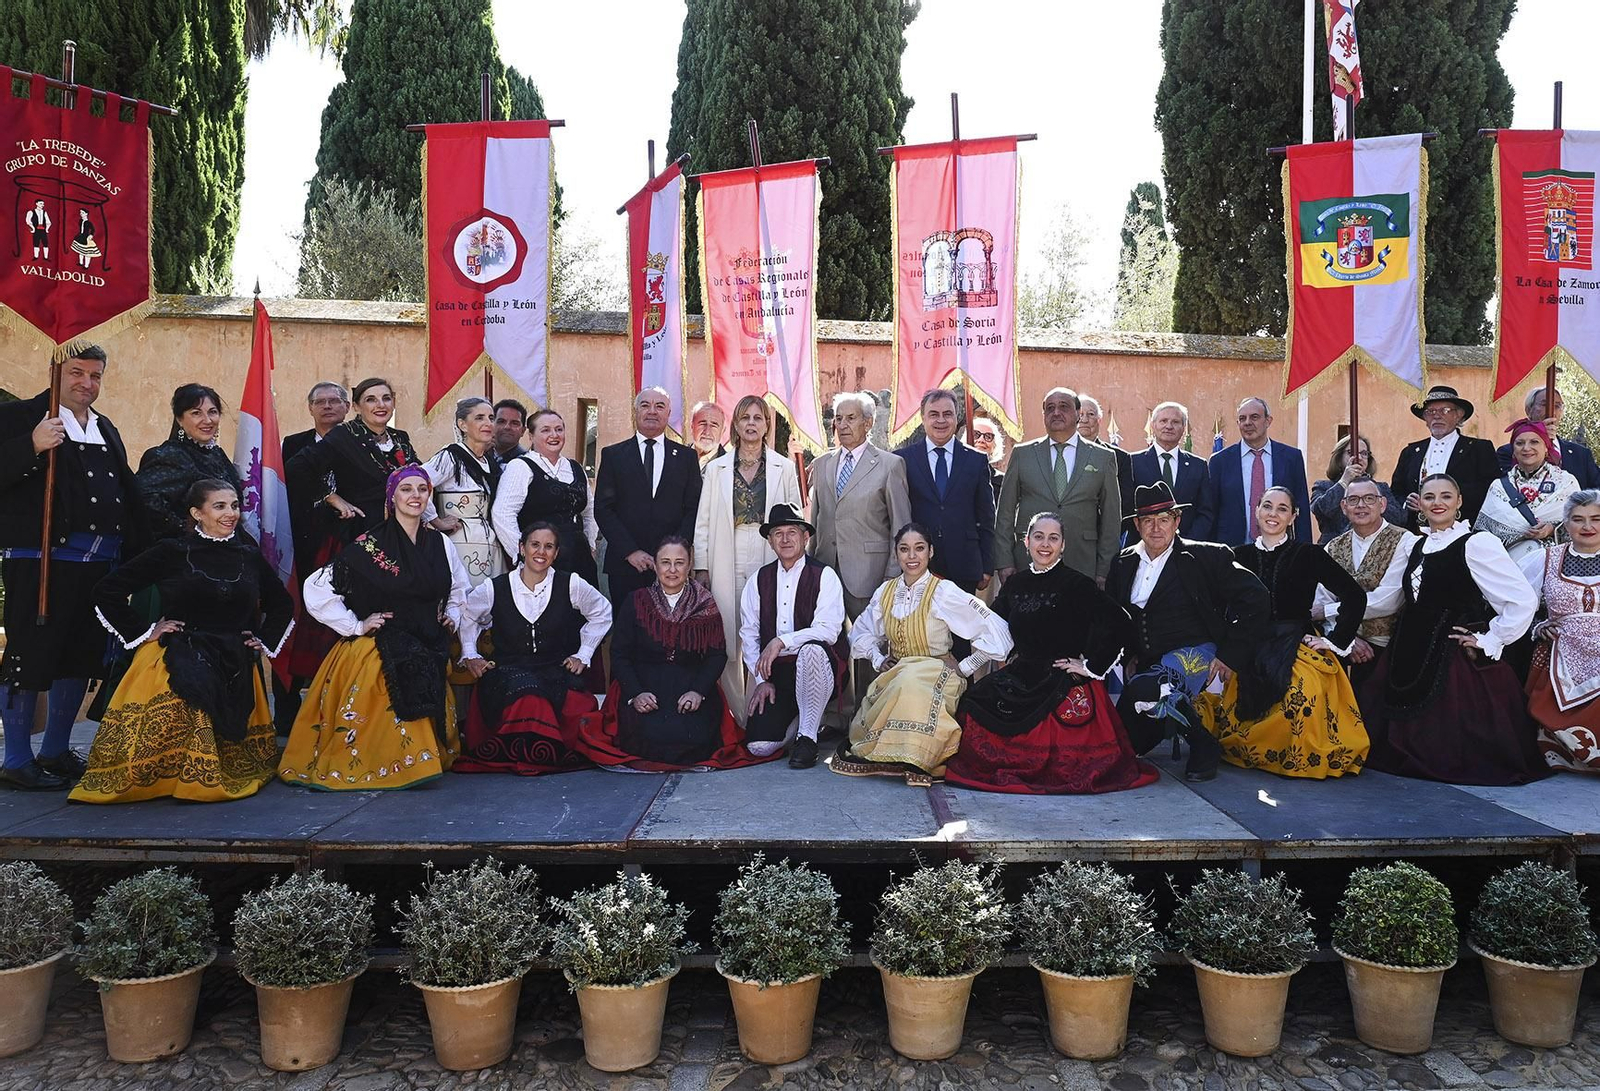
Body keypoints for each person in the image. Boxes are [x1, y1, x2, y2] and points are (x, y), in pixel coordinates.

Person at [73, 480, 292, 803]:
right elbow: (108, 590)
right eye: (219, 506)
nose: (231, 513)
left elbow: (282, 603)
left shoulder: (248, 554)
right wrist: (146, 631)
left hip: (233, 660)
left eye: (234, 505)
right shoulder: (172, 551)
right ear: (196, 513)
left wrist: (264, 639)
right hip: (178, 655)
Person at [0, 345, 145, 791]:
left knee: (79, 656)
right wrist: (32, 446)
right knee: (30, 655)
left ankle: (56, 750)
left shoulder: (106, 428)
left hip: (100, 564)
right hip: (39, 562)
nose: (86, 382)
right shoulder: (20, 417)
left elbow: (127, 495)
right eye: (77, 372)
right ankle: (16, 758)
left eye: (95, 375)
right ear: (56, 373)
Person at [278, 466, 470, 790]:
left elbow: (458, 587)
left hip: (426, 639)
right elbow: (317, 588)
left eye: (422, 489)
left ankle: (420, 759)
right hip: (381, 644)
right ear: (392, 497)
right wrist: (355, 625)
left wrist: (452, 613)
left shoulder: (440, 544)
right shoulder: (369, 544)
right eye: (407, 489)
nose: (415, 496)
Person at [946, 513, 1157, 794]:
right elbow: (993, 628)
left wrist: (1091, 666)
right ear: (1026, 542)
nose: (1045, 544)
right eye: (1039, 537)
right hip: (1021, 673)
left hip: (1061, 675)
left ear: (1063, 545)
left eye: (1053, 538)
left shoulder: (1077, 584)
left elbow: (1118, 622)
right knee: (975, 702)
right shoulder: (1015, 585)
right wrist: (964, 665)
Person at [1364, 474, 1548, 786]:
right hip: (1408, 648)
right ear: (1419, 503)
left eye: (1446, 496)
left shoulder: (1476, 543)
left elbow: (1521, 599)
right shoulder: (1416, 544)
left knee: (1456, 746)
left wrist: (1492, 638)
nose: (1438, 503)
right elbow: (1392, 598)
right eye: (1430, 496)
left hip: (1451, 652)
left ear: (1459, 502)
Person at [1194, 487, 1370, 778]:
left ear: (1293, 516)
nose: (1273, 514)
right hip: (1248, 643)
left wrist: (1333, 641)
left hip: (1295, 641)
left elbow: (1355, 596)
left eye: (1282, 509)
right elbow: (1213, 606)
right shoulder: (1237, 556)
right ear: (1257, 511)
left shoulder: (1309, 554)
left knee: (1303, 692)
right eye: (1267, 506)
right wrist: (1226, 646)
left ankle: (1292, 756)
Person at [1106, 483, 1272, 782]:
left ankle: (1203, 743)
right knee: (1128, 744)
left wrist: (1230, 655)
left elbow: (1257, 600)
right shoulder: (1123, 561)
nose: (1156, 528)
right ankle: (1165, 725)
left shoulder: (1207, 556)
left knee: (1148, 689)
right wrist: (1128, 654)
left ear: (1177, 521)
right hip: (1148, 662)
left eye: (1164, 519)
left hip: (1197, 652)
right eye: (1148, 520)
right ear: (1136, 524)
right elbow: (1118, 618)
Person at [831, 523, 1012, 783]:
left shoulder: (943, 591)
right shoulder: (886, 593)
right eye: (905, 549)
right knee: (904, 680)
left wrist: (966, 667)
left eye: (919, 549)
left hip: (937, 671)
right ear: (896, 554)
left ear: (930, 552)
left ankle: (917, 754)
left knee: (911, 683)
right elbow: (859, 633)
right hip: (898, 673)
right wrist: (879, 658)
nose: (912, 556)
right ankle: (896, 752)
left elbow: (996, 630)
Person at [578, 537, 768, 770]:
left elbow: (716, 655)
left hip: (690, 685)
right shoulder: (636, 601)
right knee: (647, 735)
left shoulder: (705, 604)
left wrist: (699, 692)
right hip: (644, 684)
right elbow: (620, 654)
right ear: (655, 566)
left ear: (689, 566)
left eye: (679, 562)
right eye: (665, 562)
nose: (672, 569)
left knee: (691, 737)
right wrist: (635, 694)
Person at [453, 523, 613, 775]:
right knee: (529, 697)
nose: (541, 552)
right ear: (522, 547)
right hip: (508, 669)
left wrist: (583, 654)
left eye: (549, 546)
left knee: (569, 701)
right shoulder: (495, 587)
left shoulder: (570, 583)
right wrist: (471, 654)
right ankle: (532, 755)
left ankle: (539, 753)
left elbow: (602, 611)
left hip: (554, 668)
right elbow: (467, 614)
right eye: (535, 544)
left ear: (556, 553)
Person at [695, 395, 803, 719]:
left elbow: (796, 516)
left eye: (758, 418)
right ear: (737, 426)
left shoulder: (783, 468)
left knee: (765, 627)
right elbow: (703, 521)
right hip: (726, 550)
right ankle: (734, 714)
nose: (752, 423)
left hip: (769, 550)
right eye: (745, 418)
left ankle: (761, 712)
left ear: (767, 425)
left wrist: (794, 561)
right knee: (728, 631)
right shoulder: (716, 469)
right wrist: (701, 566)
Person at [739, 504, 847, 769]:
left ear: (805, 537)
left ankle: (808, 738)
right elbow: (749, 634)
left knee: (811, 650)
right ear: (770, 541)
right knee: (759, 747)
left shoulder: (824, 575)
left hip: (819, 668)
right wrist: (762, 680)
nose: (785, 539)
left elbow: (829, 630)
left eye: (792, 532)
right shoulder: (758, 580)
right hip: (779, 676)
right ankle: (804, 716)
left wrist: (781, 641)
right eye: (778, 533)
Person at [278, 381, 351, 732]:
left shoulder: (361, 442)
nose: (327, 407)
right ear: (309, 409)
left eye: (334, 400)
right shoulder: (293, 446)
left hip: (349, 549)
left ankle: (339, 711)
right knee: (296, 627)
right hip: (303, 549)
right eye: (319, 401)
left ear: (348, 407)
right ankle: (288, 713)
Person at [995, 388, 1121, 587]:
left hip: (1082, 561)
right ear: (1043, 415)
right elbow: (1004, 513)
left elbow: (1111, 519)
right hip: (1028, 561)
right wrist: (1004, 561)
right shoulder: (1023, 454)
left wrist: (1105, 570)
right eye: (1050, 408)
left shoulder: (1102, 458)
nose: (1056, 412)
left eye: (1064, 407)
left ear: (1078, 414)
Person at [594, 386, 703, 609]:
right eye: (645, 405)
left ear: (668, 413)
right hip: (625, 565)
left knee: (669, 634)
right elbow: (603, 509)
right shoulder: (613, 455)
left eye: (659, 406)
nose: (652, 411)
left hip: (671, 568)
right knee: (626, 633)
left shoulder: (686, 457)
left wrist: (674, 554)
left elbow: (694, 509)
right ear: (635, 412)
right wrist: (630, 551)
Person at [808, 391, 912, 619]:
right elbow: (816, 522)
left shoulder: (890, 465)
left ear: (868, 422)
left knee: (871, 648)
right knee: (828, 647)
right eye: (838, 418)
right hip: (825, 573)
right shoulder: (822, 464)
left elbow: (901, 527)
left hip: (870, 577)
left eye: (851, 418)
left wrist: (893, 576)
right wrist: (810, 567)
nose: (842, 424)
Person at [1313, 476, 1420, 691]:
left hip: (1389, 648)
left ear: (1382, 504)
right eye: (1353, 500)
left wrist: (1328, 611)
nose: (1361, 505)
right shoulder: (1332, 548)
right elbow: (1322, 597)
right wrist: (1346, 640)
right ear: (1344, 507)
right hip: (1343, 646)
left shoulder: (1406, 541)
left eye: (1369, 499)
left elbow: (1388, 601)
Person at [286, 376, 420, 545]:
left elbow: (419, 475)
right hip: (363, 530)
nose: (381, 405)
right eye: (371, 400)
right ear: (356, 406)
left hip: (404, 527)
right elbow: (296, 468)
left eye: (386, 398)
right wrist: (333, 498)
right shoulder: (344, 435)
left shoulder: (399, 437)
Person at [1527, 492, 1600, 773]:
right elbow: (1517, 601)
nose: (1587, 526)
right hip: (1561, 648)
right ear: (1565, 524)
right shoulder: (1545, 558)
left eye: (1595, 519)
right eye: (1578, 520)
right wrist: (1538, 626)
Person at [896, 389, 995, 594]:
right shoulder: (902, 460)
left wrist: (986, 565)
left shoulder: (976, 461)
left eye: (947, 414)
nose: (941, 420)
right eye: (934, 414)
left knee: (959, 627)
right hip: (918, 565)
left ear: (956, 417)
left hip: (964, 565)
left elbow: (986, 517)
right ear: (923, 418)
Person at [492, 408, 598, 588]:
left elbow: (589, 511)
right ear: (531, 436)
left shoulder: (575, 467)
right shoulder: (521, 467)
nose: (554, 435)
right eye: (545, 430)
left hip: (579, 557)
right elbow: (502, 513)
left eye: (559, 429)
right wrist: (523, 555)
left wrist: (590, 544)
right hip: (541, 558)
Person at [136, 384, 243, 541]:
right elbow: (144, 500)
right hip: (186, 555)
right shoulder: (170, 455)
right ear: (180, 419)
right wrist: (190, 531)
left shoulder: (216, 454)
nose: (207, 420)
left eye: (212, 412)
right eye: (196, 413)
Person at [1389, 385, 1499, 530]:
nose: (1437, 416)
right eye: (1430, 411)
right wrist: (1407, 502)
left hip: (1463, 530)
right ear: (1425, 418)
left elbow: (1490, 489)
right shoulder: (1410, 452)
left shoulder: (1478, 449)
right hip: (1417, 532)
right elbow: (1396, 491)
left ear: (1459, 415)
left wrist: (1448, 501)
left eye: (1445, 410)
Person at [422, 397, 506, 587]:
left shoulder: (490, 463)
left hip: (491, 545)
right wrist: (436, 521)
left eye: (491, 418)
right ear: (462, 425)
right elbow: (417, 481)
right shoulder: (451, 456)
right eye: (479, 418)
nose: (487, 423)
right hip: (459, 543)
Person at [1206, 397, 1313, 544]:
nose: (1247, 422)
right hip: (1232, 551)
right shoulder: (1220, 461)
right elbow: (1211, 511)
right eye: (1242, 419)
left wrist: (1304, 551)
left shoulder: (1291, 458)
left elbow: (1301, 508)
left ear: (1268, 421)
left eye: (1254, 417)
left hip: (1279, 550)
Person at [1475, 418, 1579, 568]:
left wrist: (1553, 529)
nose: (1526, 448)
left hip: (1555, 566)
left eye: (1534, 442)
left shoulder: (1566, 482)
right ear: (1513, 450)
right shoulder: (1498, 487)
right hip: (1509, 568)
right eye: (1520, 443)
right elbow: (1482, 535)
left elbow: (1582, 523)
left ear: (1546, 447)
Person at [1129, 402, 1213, 542]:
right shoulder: (1133, 462)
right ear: (1153, 425)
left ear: (1183, 428)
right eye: (1163, 421)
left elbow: (1205, 512)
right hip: (1145, 547)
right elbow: (1128, 509)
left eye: (1175, 422)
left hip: (1187, 550)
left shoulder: (1198, 465)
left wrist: (1188, 542)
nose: (1169, 426)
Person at [1497, 387, 1600, 490]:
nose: (1551, 411)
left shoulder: (1581, 454)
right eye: (1545, 405)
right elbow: (1508, 489)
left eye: (1557, 406)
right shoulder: (1508, 452)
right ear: (1529, 410)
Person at [1310, 434, 1405, 542]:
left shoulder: (1381, 487)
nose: (1359, 458)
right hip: (1333, 552)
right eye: (1351, 453)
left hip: (1374, 549)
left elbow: (1398, 519)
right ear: (1339, 457)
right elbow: (1321, 510)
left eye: (1364, 454)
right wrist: (1344, 482)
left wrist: (1372, 493)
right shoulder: (1323, 486)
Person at [1078, 394, 1136, 522]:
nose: (1084, 419)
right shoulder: (1060, 453)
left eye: (1091, 414)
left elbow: (1125, 502)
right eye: (1080, 414)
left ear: (1099, 420)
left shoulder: (1119, 457)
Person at [970, 416, 1007, 502]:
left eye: (988, 437)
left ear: (994, 446)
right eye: (976, 434)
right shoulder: (952, 473)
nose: (981, 440)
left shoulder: (1003, 481)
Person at [491, 399, 529, 467]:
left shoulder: (527, 463)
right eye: (501, 421)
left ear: (523, 431)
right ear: (492, 425)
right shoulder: (480, 456)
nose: (507, 427)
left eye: (514, 423)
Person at [690, 400, 727, 470]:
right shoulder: (676, 458)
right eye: (702, 424)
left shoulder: (732, 468)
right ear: (692, 427)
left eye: (714, 426)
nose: (707, 432)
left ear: (722, 431)